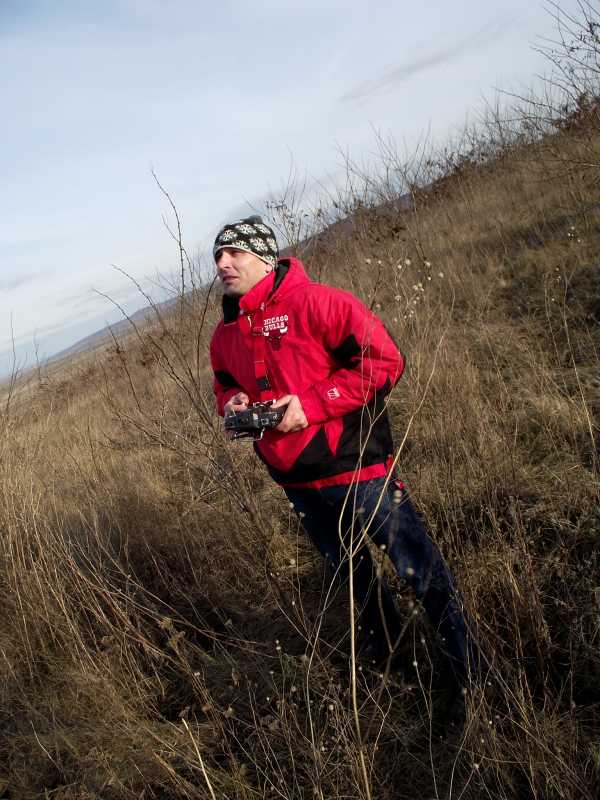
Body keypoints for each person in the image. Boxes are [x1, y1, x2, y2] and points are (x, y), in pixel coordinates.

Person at [209, 215, 478, 722]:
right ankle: (395, 662)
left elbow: (385, 361)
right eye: (218, 255)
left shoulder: (319, 303)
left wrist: (310, 406)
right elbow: (223, 382)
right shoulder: (225, 334)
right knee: (352, 577)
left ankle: (469, 673)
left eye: (235, 252)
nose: (223, 263)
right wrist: (233, 401)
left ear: (264, 257)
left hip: (357, 470)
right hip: (296, 481)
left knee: (418, 569)